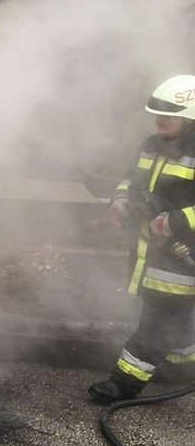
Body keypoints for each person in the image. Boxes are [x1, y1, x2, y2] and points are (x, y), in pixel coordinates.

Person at [88, 74, 195, 404]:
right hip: (150, 250)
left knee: (160, 317)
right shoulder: (150, 145)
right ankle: (181, 366)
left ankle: (124, 382)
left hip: (181, 254)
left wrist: (176, 222)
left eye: (168, 115)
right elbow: (129, 179)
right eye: (157, 113)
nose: (159, 120)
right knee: (176, 315)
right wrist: (120, 201)